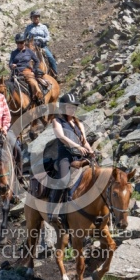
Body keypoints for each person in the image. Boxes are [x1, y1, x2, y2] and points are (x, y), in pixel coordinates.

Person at [48, 93, 94, 223]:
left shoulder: (78, 123)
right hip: (65, 157)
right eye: (69, 107)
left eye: (74, 107)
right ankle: (53, 211)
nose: (72, 109)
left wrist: (90, 150)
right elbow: (61, 137)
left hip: (80, 157)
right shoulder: (57, 121)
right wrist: (77, 146)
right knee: (63, 180)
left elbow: (84, 141)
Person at [9, 33, 44, 104]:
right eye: (18, 43)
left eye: (21, 42)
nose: (19, 44)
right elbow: (10, 63)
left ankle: (40, 100)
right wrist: (12, 65)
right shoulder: (13, 53)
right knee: (7, 86)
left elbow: (37, 61)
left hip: (27, 71)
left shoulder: (29, 51)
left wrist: (33, 70)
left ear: (24, 42)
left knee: (34, 84)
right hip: (16, 72)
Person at [24, 10, 58, 78]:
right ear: (31, 18)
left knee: (51, 58)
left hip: (42, 46)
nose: (36, 18)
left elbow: (48, 37)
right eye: (34, 17)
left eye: (37, 17)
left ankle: (55, 74)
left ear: (39, 18)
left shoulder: (43, 27)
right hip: (32, 47)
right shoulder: (28, 27)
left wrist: (43, 39)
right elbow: (24, 37)